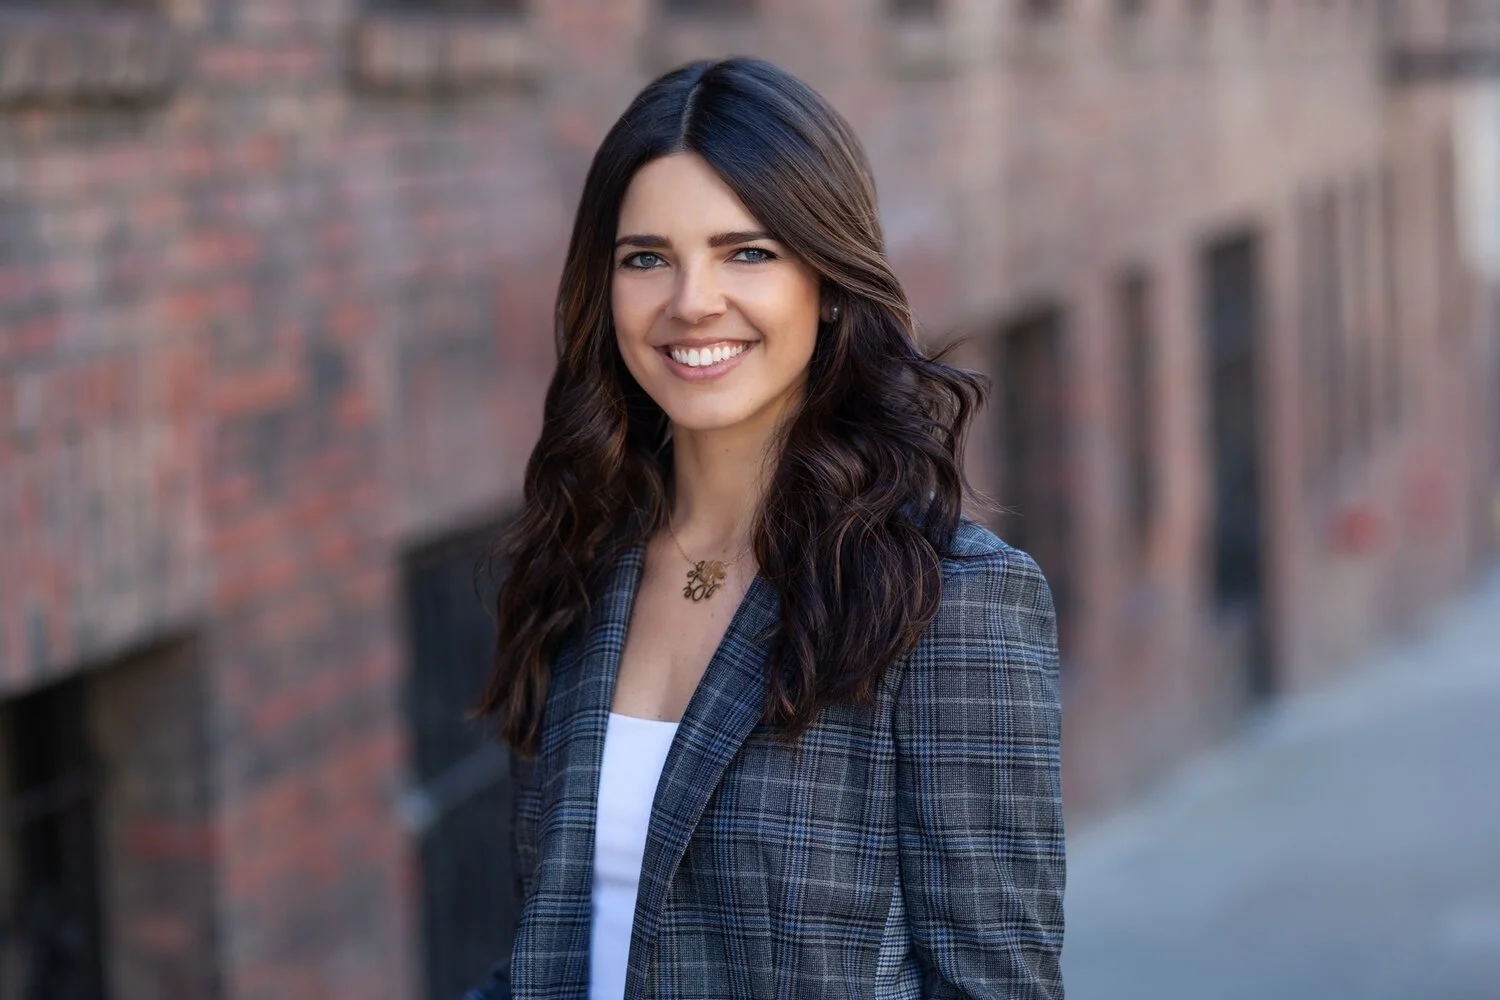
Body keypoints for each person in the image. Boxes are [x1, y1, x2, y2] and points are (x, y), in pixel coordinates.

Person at [465, 57, 1063, 1000]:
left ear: (828, 281)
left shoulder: (946, 601)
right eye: (646, 258)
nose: (691, 300)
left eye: (746, 252)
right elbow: (550, 956)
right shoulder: (573, 568)